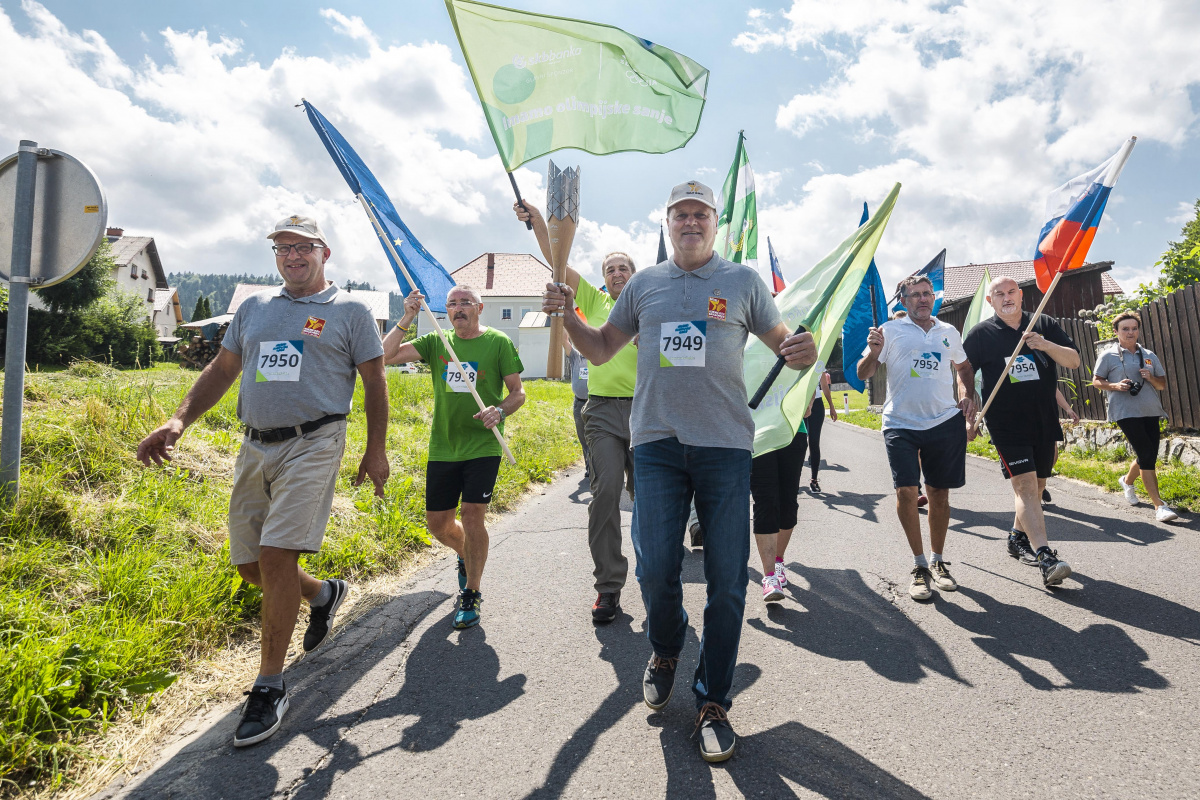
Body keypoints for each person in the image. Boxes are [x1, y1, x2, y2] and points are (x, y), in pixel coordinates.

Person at [543, 179, 817, 762]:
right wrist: (568, 317)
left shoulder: (742, 282)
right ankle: (666, 648)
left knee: (727, 581)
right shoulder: (645, 284)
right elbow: (600, 348)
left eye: (700, 214)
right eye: (680, 215)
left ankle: (713, 700)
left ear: (714, 222)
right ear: (667, 223)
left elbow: (784, 344)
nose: (690, 222)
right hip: (658, 445)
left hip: (724, 447)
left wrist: (804, 351)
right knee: (654, 569)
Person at [136, 214, 389, 747]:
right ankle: (324, 595)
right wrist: (178, 420)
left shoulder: (350, 310)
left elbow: (375, 380)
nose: (292, 256)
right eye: (282, 248)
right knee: (250, 564)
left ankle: (269, 686)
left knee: (276, 556)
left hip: (316, 440)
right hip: (254, 443)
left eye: (303, 247)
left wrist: (375, 449)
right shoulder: (254, 308)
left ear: (324, 253)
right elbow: (224, 369)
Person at [515, 201, 639, 624]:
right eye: (611, 269)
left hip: (647, 412)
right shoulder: (592, 299)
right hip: (601, 410)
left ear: (634, 274)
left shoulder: (649, 304)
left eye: (624, 268)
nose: (617, 273)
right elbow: (559, 264)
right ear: (604, 278)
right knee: (605, 493)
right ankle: (608, 587)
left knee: (652, 498)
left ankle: (659, 577)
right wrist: (537, 221)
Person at [385, 285, 525, 628]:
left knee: (473, 515)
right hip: (444, 446)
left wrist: (500, 411)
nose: (458, 308)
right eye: (452, 303)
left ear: (479, 308)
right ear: (445, 310)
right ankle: (467, 554)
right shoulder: (437, 342)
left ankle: (471, 592)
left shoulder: (498, 342)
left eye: (465, 302)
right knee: (438, 525)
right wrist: (407, 317)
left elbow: (518, 393)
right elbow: (386, 356)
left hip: (484, 445)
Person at [857, 275, 973, 601]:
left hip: (943, 421)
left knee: (938, 494)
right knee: (907, 492)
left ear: (933, 297)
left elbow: (964, 368)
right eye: (915, 295)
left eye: (927, 294)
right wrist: (873, 353)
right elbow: (864, 372)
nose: (922, 299)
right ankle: (919, 565)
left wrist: (968, 394)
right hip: (900, 423)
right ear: (904, 301)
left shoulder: (948, 331)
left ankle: (937, 560)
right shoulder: (889, 330)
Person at [959, 276, 1080, 587]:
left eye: (1011, 291)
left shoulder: (1044, 323)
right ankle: (1046, 557)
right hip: (1005, 422)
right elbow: (964, 370)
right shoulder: (981, 334)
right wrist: (968, 404)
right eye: (999, 294)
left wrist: (1044, 344)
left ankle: (1016, 537)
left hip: (1043, 418)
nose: (1006, 297)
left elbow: (1074, 360)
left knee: (1037, 487)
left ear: (1021, 295)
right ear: (990, 301)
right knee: (1025, 486)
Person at [1092, 311, 1179, 522]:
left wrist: (1150, 378)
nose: (1130, 332)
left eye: (1134, 328)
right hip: (1125, 412)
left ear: (1138, 330)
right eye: (1125, 329)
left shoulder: (1148, 355)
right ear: (1116, 332)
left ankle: (1127, 481)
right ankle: (1159, 506)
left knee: (1148, 454)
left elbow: (1162, 385)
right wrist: (1115, 386)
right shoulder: (1108, 356)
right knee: (1147, 454)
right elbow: (1096, 381)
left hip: (1150, 410)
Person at [1043, 388, 1080, 504]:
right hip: (1025, 417)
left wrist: (1068, 409)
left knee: (1052, 454)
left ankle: (1041, 483)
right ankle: (1034, 487)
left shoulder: (1045, 375)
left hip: (1048, 414)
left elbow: (1053, 388)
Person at [803, 370, 837, 493]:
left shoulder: (819, 363)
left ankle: (814, 480)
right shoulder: (794, 360)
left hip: (816, 405)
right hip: (799, 404)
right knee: (800, 443)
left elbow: (824, 386)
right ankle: (793, 480)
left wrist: (831, 406)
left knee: (814, 441)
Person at [564, 337, 591, 477]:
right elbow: (564, 340)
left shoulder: (597, 356)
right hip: (579, 403)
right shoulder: (575, 356)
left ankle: (599, 467)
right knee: (583, 437)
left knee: (596, 437)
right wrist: (561, 323)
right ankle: (589, 467)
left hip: (595, 403)